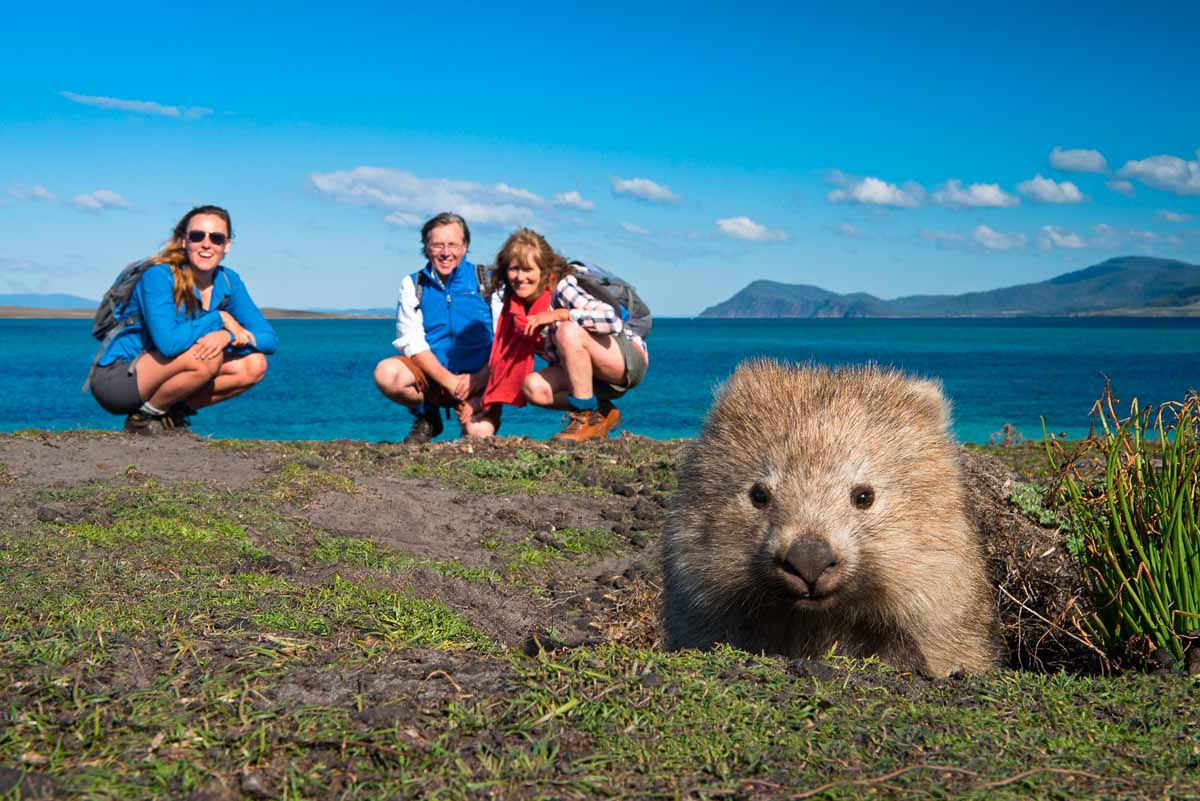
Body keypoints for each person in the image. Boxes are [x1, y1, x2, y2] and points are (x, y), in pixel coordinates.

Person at [89, 205, 277, 434]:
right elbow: (169, 344)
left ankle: (168, 418)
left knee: (254, 365)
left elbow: (268, 339)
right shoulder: (159, 276)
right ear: (183, 241)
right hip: (119, 378)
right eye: (197, 236)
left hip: (168, 371)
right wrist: (218, 318)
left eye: (216, 238)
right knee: (207, 357)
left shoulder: (228, 281)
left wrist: (225, 336)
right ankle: (141, 421)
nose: (206, 244)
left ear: (226, 245)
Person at [483, 228, 648, 442]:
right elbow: (502, 358)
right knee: (532, 387)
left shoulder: (562, 288)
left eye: (528, 269)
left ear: (543, 271)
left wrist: (561, 315)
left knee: (567, 331)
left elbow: (611, 319)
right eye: (514, 269)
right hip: (585, 372)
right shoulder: (514, 308)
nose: (520, 277)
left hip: (624, 360)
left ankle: (585, 418)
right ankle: (603, 413)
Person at [373, 212, 501, 442]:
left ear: (465, 246)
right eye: (437, 245)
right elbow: (410, 341)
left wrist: (479, 379)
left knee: (479, 436)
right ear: (426, 247)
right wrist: (449, 381)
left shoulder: (489, 281)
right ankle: (427, 416)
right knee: (387, 374)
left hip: (482, 379)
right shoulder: (413, 284)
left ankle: (475, 409)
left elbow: (505, 339)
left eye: (453, 244)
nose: (445, 253)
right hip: (434, 380)